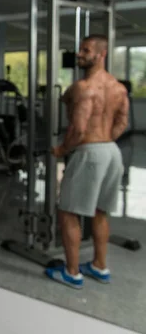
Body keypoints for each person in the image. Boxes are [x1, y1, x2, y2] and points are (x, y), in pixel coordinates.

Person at [45, 34, 129, 289]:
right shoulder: (119, 87)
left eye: (86, 50)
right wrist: (103, 142)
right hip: (112, 151)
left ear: (101, 54)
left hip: (90, 152)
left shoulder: (84, 88)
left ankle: (72, 273)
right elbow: (122, 122)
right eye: (80, 49)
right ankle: (99, 266)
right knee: (100, 211)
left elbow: (79, 129)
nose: (79, 53)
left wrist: (61, 150)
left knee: (68, 212)